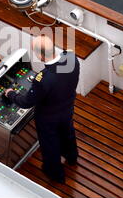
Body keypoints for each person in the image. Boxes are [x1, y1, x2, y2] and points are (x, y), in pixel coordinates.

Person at [5, 35, 80, 183]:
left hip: (48, 118)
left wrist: (11, 94)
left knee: (50, 144)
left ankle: (55, 173)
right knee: (68, 133)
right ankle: (72, 157)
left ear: (40, 55)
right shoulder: (72, 58)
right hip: (67, 109)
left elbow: (27, 101)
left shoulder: (43, 78)